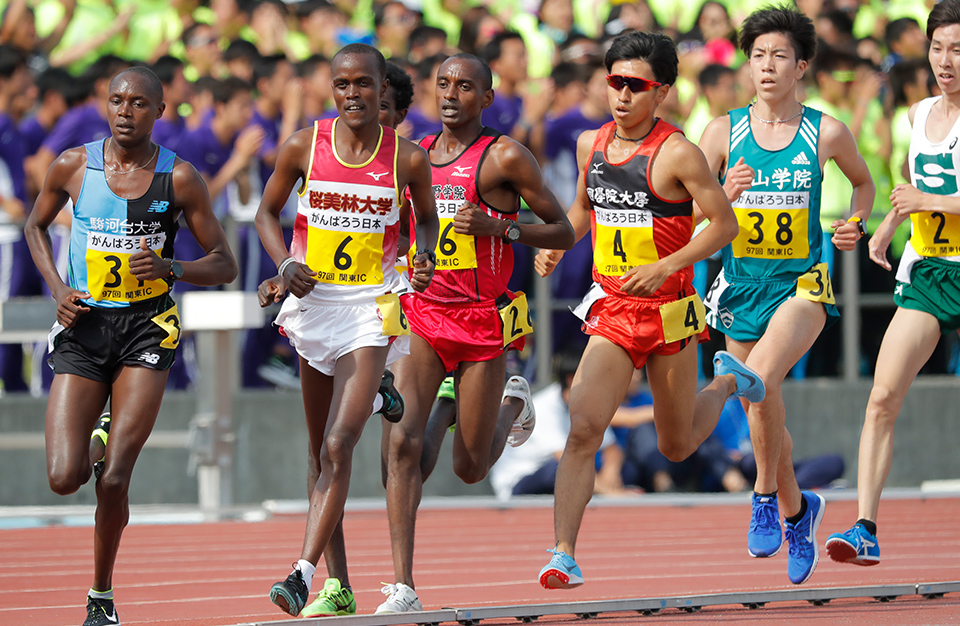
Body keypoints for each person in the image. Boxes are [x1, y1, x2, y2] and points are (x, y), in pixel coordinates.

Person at [533, 29, 761, 591]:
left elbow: (724, 226)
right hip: (612, 306)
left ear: (660, 91)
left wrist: (666, 265)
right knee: (584, 426)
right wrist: (558, 241)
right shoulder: (592, 144)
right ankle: (563, 553)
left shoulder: (678, 152)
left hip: (672, 309)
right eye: (614, 81)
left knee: (676, 445)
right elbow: (583, 208)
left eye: (635, 85)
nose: (622, 94)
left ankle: (727, 382)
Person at [23, 66, 237, 626]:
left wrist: (173, 266)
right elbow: (34, 227)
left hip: (147, 327)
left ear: (159, 111)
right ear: (105, 105)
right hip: (85, 327)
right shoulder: (73, 165)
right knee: (65, 477)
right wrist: (58, 288)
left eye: (139, 103)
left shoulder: (180, 178)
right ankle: (99, 428)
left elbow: (225, 262)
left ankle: (101, 596)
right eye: (117, 100)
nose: (125, 111)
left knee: (115, 476)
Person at [379, 52, 575, 613]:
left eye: (464, 86)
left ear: (485, 99)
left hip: (482, 321)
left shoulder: (504, 156)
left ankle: (512, 405)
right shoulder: (412, 158)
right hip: (424, 315)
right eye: (443, 83)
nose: (450, 94)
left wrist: (503, 227)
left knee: (469, 468)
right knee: (402, 448)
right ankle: (403, 586)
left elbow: (560, 229)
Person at [254, 43, 439, 617]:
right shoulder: (302, 146)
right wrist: (285, 267)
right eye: (342, 84)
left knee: (339, 443)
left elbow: (427, 220)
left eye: (363, 84)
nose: (353, 94)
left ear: (382, 87)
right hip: (315, 307)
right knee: (319, 450)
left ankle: (300, 574)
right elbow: (266, 214)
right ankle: (339, 586)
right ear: (330, 89)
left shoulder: (406, 158)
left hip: (371, 308)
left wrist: (424, 256)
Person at [696, 6, 874, 585]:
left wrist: (855, 222)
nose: (767, 67)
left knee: (761, 382)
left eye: (779, 57)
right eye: (757, 56)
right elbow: (693, 209)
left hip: (802, 284)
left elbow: (864, 183)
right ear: (747, 64)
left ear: (801, 66)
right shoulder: (722, 132)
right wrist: (721, 191)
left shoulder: (827, 130)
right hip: (742, 283)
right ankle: (804, 512)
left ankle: (766, 496)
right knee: (759, 407)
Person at [826, 0, 960, 567]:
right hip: (931, 269)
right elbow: (915, 180)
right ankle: (865, 527)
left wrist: (928, 201)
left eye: (958, 49)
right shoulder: (920, 111)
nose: (946, 61)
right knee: (881, 397)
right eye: (938, 48)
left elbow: (932, 192)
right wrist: (887, 221)